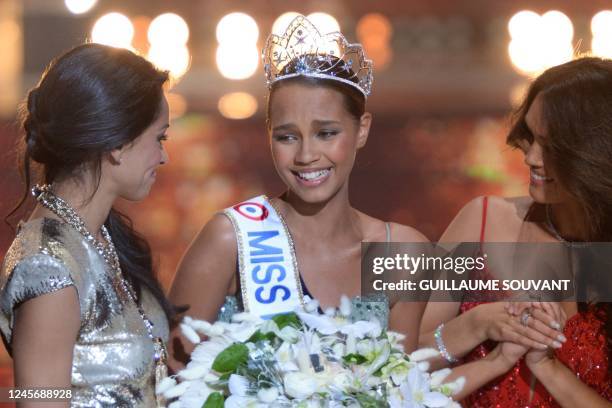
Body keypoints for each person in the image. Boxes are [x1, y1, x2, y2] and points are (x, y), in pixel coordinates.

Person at [169, 15, 427, 369]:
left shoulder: (400, 251)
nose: (306, 156)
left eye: (326, 133)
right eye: (287, 136)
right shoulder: (232, 237)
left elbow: (403, 388)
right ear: (268, 133)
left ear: (362, 129)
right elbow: (172, 377)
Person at [420, 57, 612, 407]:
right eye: (530, 138)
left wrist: (550, 369)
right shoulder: (483, 220)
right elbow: (400, 362)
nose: (531, 158)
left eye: (551, 146)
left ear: (597, 154)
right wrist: (478, 326)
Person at [0, 43, 176, 407]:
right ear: (119, 142)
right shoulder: (47, 267)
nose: (164, 155)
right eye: (159, 138)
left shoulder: (98, 237)